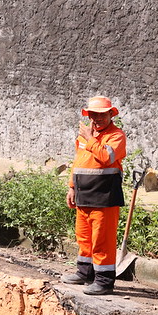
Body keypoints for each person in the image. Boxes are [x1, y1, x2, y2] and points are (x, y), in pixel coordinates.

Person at [61, 95, 126, 296]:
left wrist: (90, 139)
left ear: (110, 114)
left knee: (102, 240)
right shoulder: (84, 137)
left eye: (101, 114)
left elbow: (106, 158)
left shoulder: (116, 136)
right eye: (93, 114)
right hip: (83, 194)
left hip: (104, 197)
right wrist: (72, 187)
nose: (97, 118)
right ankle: (84, 273)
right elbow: (78, 162)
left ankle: (104, 282)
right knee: (84, 237)